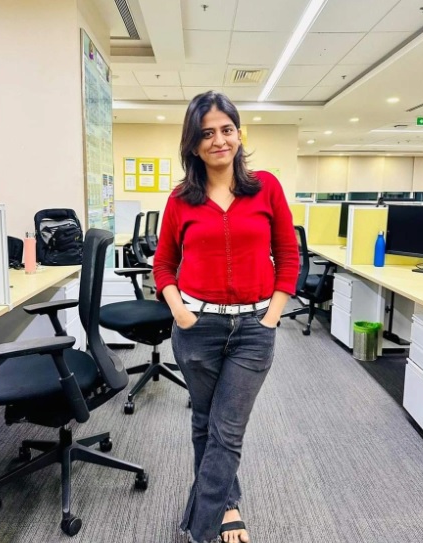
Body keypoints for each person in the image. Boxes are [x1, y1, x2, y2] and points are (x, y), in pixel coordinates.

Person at [153, 91, 299, 543]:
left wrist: (272, 317)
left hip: (254, 329)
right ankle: (228, 505)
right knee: (205, 422)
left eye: (227, 129)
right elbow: (163, 264)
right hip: (198, 327)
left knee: (228, 429)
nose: (219, 140)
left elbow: (288, 255)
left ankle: (201, 528)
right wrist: (179, 311)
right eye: (206, 133)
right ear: (194, 145)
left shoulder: (266, 187)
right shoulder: (182, 199)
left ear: (239, 134)